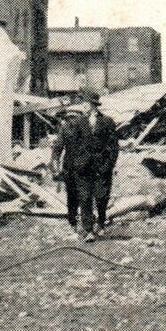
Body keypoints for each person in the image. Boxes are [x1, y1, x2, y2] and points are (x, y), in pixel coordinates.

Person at [55, 89, 120, 242]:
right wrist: (78, 162)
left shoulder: (107, 121)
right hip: (83, 168)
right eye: (83, 103)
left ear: (93, 105)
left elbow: (114, 146)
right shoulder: (78, 123)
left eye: (85, 103)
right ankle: (89, 230)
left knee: (102, 197)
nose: (83, 106)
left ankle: (101, 222)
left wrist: (109, 164)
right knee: (84, 198)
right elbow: (74, 145)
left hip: (102, 167)